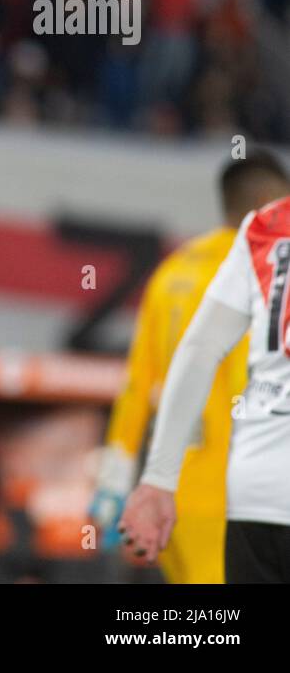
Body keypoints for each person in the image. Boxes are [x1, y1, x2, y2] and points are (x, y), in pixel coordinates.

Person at [91, 150, 288, 581]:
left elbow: (137, 383)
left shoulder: (172, 272)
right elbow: (251, 381)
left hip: (180, 491)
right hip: (231, 492)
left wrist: (116, 478)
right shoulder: (258, 265)